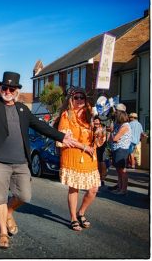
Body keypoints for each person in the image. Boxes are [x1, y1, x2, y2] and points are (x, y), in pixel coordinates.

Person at [0, 71, 74, 248]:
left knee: (24, 195)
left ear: (16, 91)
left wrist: (61, 137)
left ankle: (9, 212)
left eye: (11, 89)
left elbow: (41, 126)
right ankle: (3, 233)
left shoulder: (23, 110)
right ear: (1, 88)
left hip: (20, 161)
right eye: (5, 87)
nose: (8, 91)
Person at [55, 87, 101, 231]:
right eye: (76, 97)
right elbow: (65, 138)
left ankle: (81, 212)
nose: (80, 100)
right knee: (73, 188)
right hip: (73, 155)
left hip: (90, 157)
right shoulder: (66, 115)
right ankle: (73, 218)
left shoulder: (90, 115)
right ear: (71, 100)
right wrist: (84, 147)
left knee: (94, 189)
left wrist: (100, 133)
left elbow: (97, 140)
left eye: (82, 97)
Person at [108, 107, 132, 195]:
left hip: (121, 149)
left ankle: (123, 189)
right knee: (118, 170)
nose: (115, 118)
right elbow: (111, 138)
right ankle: (119, 187)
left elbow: (114, 138)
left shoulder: (125, 126)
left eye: (117, 116)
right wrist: (113, 136)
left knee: (122, 170)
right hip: (116, 148)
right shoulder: (119, 125)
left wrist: (114, 137)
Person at [93, 115, 108, 187]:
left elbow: (103, 139)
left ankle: (102, 179)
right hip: (94, 147)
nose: (95, 123)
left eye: (97, 123)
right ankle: (96, 177)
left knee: (101, 163)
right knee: (96, 163)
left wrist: (97, 145)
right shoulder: (92, 128)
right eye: (94, 122)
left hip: (101, 147)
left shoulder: (102, 129)